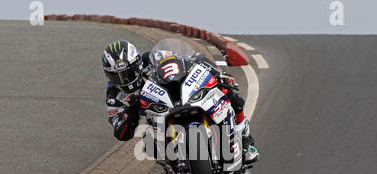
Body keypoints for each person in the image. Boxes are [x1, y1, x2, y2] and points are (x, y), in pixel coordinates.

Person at [101, 40, 259, 163]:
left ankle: (245, 140)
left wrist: (216, 73)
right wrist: (130, 112)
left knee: (230, 95)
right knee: (151, 145)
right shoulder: (114, 94)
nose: (124, 80)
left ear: (137, 63)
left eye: (128, 73)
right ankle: (178, 167)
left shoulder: (153, 57)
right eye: (117, 76)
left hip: (181, 97)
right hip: (158, 120)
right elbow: (120, 132)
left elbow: (189, 58)